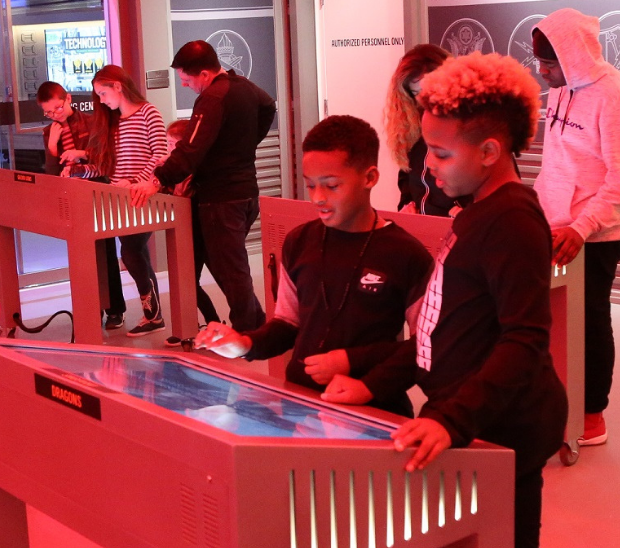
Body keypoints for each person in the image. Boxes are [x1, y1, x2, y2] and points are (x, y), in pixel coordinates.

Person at [320, 52, 567, 548]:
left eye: (441, 154)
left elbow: (525, 339)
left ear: (491, 152)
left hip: (505, 429)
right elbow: (443, 329)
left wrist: (450, 419)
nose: (428, 168)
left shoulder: (513, 221)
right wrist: (372, 384)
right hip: (473, 418)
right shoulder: (476, 213)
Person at [195, 115, 433, 416]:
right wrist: (244, 343)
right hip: (301, 406)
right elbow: (287, 324)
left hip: (376, 409)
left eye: (332, 186)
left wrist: (354, 366)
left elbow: (426, 348)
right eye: (310, 186)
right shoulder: (299, 241)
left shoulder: (406, 254)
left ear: (369, 178)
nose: (318, 198)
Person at [533, 8, 620, 446]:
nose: (543, 74)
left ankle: (592, 413)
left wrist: (581, 228)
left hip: (598, 233)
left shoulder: (616, 96)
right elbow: (559, 165)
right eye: (540, 63)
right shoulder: (562, 91)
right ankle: (559, 400)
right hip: (555, 225)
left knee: (590, 320)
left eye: (550, 64)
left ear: (574, 56)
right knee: (553, 319)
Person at [143, 40, 277, 333]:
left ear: (204, 74)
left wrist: (158, 179)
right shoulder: (242, 85)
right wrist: (243, 145)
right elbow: (269, 107)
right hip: (244, 192)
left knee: (232, 270)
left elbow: (190, 149)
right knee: (227, 265)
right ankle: (253, 324)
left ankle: (248, 333)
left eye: (187, 79)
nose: (187, 85)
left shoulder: (212, 98)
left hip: (221, 198)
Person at [66, 65, 169, 337]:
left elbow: (160, 156)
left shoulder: (149, 113)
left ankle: (153, 314)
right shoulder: (113, 122)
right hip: (119, 198)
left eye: (103, 92)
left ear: (118, 86)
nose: (101, 100)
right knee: (135, 252)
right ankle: (153, 314)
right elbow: (106, 167)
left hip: (142, 196)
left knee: (131, 251)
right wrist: (80, 171)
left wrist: (138, 182)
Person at [36, 81, 127, 330]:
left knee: (106, 251)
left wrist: (80, 152)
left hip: (96, 193)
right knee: (81, 257)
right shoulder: (49, 131)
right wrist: (53, 146)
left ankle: (115, 309)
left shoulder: (91, 121)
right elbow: (51, 173)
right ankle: (91, 307)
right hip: (71, 198)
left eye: (56, 108)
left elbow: (104, 158)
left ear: (67, 99)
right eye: (48, 112)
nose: (54, 115)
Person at [159, 119, 221, 347]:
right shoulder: (174, 170)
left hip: (198, 233)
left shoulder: (195, 171)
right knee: (185, 281)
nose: (168, 149)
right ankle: (189, 326)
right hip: (183, 232)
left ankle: (213, 324)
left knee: (190, 282)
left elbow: (184, 197)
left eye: (172, 144)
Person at [384, 44, 465, 217]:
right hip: (424, 232)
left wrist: (472, 213)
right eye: (416, 93)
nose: (424, 100)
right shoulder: (415, 128)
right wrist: (406, 206)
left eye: (430, 90)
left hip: (463, 232)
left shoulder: (475, 126)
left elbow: (496, 186)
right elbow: (406, 178)